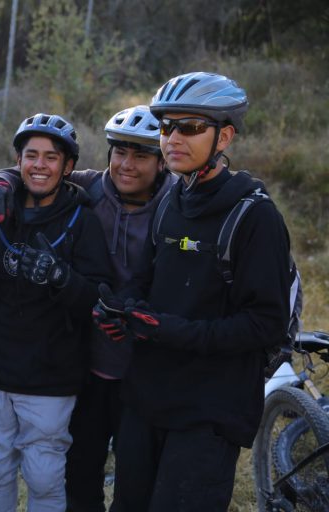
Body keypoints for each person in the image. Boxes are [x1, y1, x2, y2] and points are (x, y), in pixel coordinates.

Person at [93, 72, 292, 511]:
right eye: (166, 127)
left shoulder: (255, 217)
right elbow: (146, 282)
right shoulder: (169, 199)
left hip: (208, 413)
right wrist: (121, 311)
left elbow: (265, 324)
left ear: (224, 136)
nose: (172, 138)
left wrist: (169, 330)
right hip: (147, 400)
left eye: (190, 127)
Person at [0, 105, 176, 512]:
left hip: (146, 363)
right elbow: (34, 166)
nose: (127, 165)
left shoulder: (177, 205)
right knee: (76, 476)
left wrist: (63, 279)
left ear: (162, 161)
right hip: (87, 362)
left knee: (135, 480)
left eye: (141, 155)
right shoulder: (92, 187)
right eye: (120, 152)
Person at [0, 113, 113, 512]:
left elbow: (98, 300)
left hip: (51, 377)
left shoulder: (83, 221)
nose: (40, 165)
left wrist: (61, 277)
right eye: (31, 155)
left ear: (68, 167)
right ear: (18, 161)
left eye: (52, 157)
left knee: (45, 478)